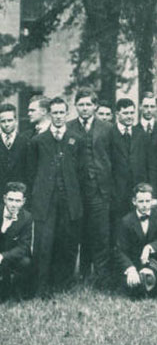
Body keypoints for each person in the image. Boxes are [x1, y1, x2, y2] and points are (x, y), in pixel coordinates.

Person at [28, 97, 84, 295]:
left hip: (69, 200)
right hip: (46, 201)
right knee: (45, 242)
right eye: (55, 113)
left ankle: (63, 284)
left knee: (67, 242)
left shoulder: (76, 139)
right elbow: (32, 172)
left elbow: (81, 171)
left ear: (67, 114)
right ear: (49, 114)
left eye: (62, 112)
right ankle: (42, 286)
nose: (58, 116)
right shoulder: (38, 141)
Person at [67, 87, 113, 287]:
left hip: (99, 190)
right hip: (77, 191)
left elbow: (114, 158)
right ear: (76, 106)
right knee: (81, 233)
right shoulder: (68, 128)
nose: (85, 108)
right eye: (81, 104)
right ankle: (83, 274)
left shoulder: (107, 128)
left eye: (88, 104)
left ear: (95, 106)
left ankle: (102, 277)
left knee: (100, 234)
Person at [115, 183, 157, 297]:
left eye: (147, 201)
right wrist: (130, 269)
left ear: (152, 201)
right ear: (134, 201)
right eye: (141, 202)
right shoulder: (126, 221)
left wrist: (149, 247)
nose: (145, 205)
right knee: (133, 290)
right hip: (136, 263)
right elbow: (120, 250)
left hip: (156, 262)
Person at [111, 98, 148, 239]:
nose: (130, 116)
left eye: (132, 113)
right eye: (125, 113)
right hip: (116, 193)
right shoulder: (109, 134)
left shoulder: (141, 134)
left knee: (136, 230)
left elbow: (146, 164)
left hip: (137, 192)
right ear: (117, 114)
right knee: (117, 229)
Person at [0, 182, 33, 299]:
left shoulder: (27, 218)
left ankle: (16, 292)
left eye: (17, 201)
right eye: (11, 200)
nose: (13, 204)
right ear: (4, 199)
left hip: (11, 254)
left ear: (23, 201)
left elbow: (23, 247)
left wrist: (3, 256)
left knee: (25, 262)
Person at [0, 103, 29, 199]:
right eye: (3, 121)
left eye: (10, 120)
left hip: (18, 196)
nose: (7, 124)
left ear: (16, 121)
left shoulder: (26, 141)